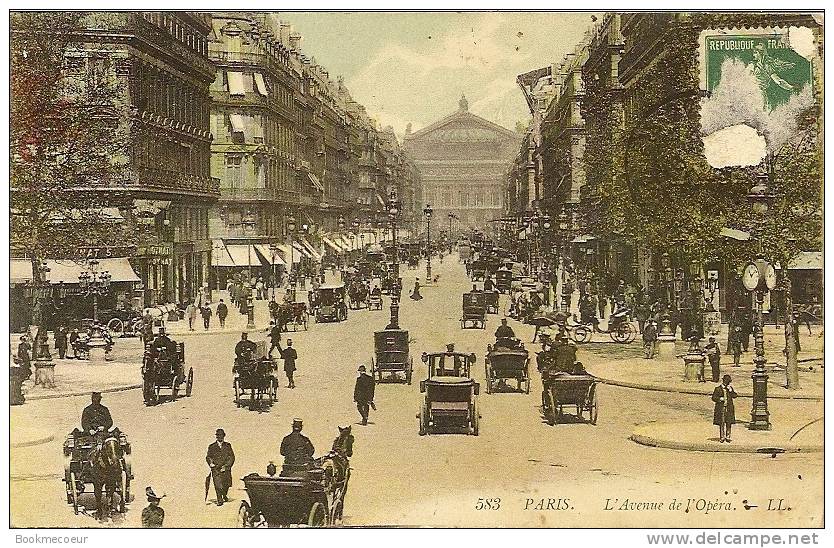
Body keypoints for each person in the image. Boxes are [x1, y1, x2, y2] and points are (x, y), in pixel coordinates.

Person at [206, 429, 235, 505]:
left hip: (226, 469)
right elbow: (208, 457)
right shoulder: (212, 446)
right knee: (218, 484)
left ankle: (224, 495)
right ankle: (219, 499)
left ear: (224, 436)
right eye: (218, 435)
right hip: (216, 469)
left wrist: (226, 466)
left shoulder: (228, 445)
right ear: (216, 437)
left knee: (226, 484)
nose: (219, 437)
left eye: (221, 435)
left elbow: (231, 457)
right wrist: (211, 463)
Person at [712, 375, 737, 443]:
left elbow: (735, 396)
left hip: (729, 408)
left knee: (729, 422)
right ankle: (722, 437)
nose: (727, 383)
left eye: (728, 382)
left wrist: (731, 391)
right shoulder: (718, 389)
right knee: (721, 422)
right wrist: (719, 399)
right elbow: (713, 398)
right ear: (723, 381)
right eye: (726, 382)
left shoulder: (730, 389)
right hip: (721, 408)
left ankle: (728, 436)